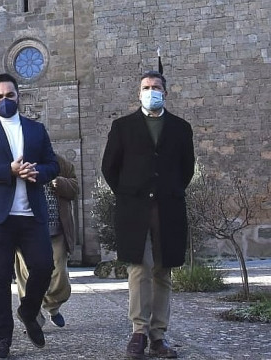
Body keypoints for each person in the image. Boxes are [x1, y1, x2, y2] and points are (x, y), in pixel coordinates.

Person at [0, 73, 59, 359]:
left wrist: (37, 172)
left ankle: (28, 311)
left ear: (19, 95)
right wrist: (9, 170)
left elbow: (53, 164)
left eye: (10, 95)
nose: (5, 100)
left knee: (44, 267)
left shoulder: (36, 129)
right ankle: (2, 340)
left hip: (31, 214)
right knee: (0, 279)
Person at [102, 70, 195, 359]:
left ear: (165, 92)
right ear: (138, 93)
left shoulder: (180, 128)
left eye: (156, 87)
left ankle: (159, 336)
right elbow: (109, 167)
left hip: (167, 208)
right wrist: (129, 192)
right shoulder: (122, 126)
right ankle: (139, 332)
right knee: (139, 268)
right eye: (146, 87)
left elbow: (187, 168)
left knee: (162, 270)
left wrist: (170, 190)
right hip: (134, 208)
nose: (151, 90)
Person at [14, 153, 78, 329]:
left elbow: (74, 187)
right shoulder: (16, 160)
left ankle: (53, 306)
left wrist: (60, 182)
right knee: (27, 275)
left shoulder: (59, 161)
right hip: (27, 230)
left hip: (55, 229)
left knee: (58, 273)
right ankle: (33, 318)